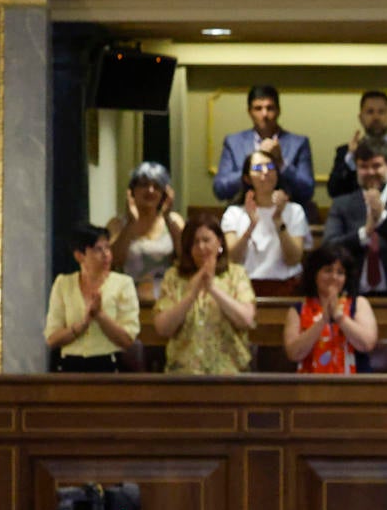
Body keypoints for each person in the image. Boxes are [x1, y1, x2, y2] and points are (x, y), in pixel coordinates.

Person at [322, 141, 387, 298]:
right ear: (357, 169)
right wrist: (364, 233)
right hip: (352, 296)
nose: (371, 172)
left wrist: (382, 220)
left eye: (376, 166)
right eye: (364, 167)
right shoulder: (341, 204)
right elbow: (329, 247)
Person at [153, 213, 256, 376]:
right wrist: (191, 295)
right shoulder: (174, 277)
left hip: (229, 372)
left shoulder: (236, 274)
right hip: (183, 373)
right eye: (195, 242)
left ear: (220, 242)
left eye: (206, 240)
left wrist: (213, 289)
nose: (201, 247)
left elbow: (246, 319)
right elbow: (163, 328)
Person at [44, 224, 139, 373]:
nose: (106, 254)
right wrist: (82, 325)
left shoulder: (123, 284)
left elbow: (127, 340)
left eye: (107, 248)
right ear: (79, 255)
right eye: (97, 249)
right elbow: (52, 339)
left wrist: (100, 316)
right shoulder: (63, 283)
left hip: (108, 365)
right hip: (69, 366)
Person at [282, 242, 378, 375]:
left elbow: (367, 344)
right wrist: (323, 321)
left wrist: (339, 318)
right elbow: (294, 353)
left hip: (355, 387)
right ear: (315, 274)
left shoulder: (359, 304)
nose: (334, 277)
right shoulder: (298, 310)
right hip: (309, 387)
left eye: (340, 273)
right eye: (328, 270)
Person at [212, 84, 314, 205]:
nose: (264, 114)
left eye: (269, 108)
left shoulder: (298, 143)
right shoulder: (233, 142)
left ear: (278, 110)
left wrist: (282, 164)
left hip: (286, 213)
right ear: (249, 112)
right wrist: (251, 166)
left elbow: (308, 190)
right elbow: (220, 190)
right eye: (258, 108)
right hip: (243, 212)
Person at [221, 149, 308, 285]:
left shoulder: (295, 211)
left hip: (286, 284)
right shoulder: (234, 213)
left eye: (270, 166)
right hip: (245, 285)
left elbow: (294, 259)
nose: (265, 172)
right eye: (257, 168)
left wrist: (278, 220)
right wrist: (250, 227)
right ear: (247, 178)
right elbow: (232, 258)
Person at [326, 91, 387, 199]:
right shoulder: (345, 152)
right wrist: (351, 160)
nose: (376, 117)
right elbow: (334, 191)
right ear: (360, 117)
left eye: (381, 112)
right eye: (370, 112)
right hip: (356, 212)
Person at [107, 161, 184, 293]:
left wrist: (167, 218)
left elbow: (186, 258)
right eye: (144, 185)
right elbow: (113, 261)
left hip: (167, 295)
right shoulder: (117, 224)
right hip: (126, 295)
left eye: (156, 186)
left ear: (164, 193)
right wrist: (131, 223)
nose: (150, 190)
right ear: (132, 190)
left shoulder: (174, 220)